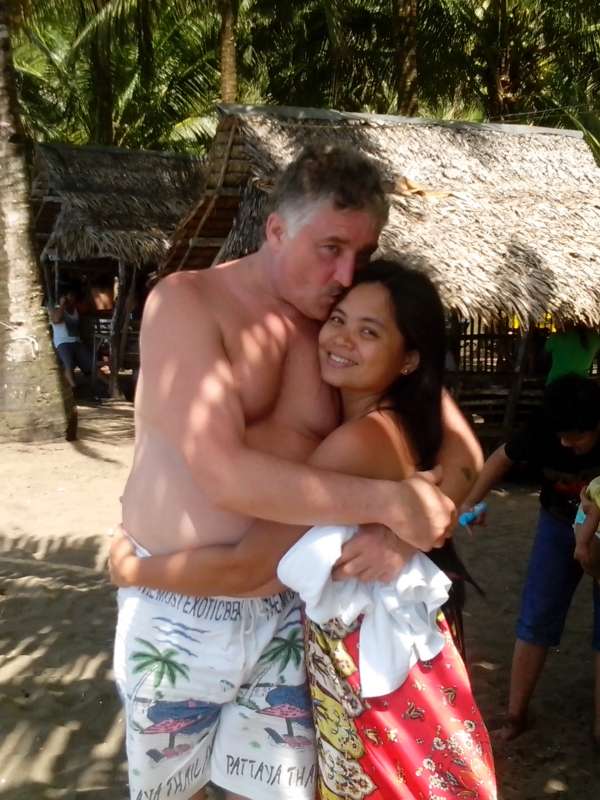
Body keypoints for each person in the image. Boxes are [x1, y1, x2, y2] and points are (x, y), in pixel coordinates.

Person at [112, 144, 483, 800]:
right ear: (277, 229)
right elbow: (223, 475)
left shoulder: (347, 327)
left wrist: (401, 534)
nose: (346, 274)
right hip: (181, 604)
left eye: (362, 254)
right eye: (331, 248)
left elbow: (462, 454)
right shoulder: (190, 302)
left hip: (291, 608)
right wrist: (390, 502)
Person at [462, 374, 600, 743]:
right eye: (561, 436)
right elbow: (501, 458)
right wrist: (471, 502)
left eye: (576, 436)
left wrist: (588, 545)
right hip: (557, 521)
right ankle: (515, 715)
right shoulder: (545, 427)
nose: (565, 444)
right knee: (536, 617)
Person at [48, 287, 94, 389]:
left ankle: (109, 384)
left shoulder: (75, 310)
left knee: (91, 364)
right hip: (62, 342)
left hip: (76, 341)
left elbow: (88, 308)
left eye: (73, 296)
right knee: (68, 364)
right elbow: (56, 320)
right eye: (70, 296)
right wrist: (62, 305)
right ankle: (74, 387)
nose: (72, 298)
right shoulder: (57, 309)